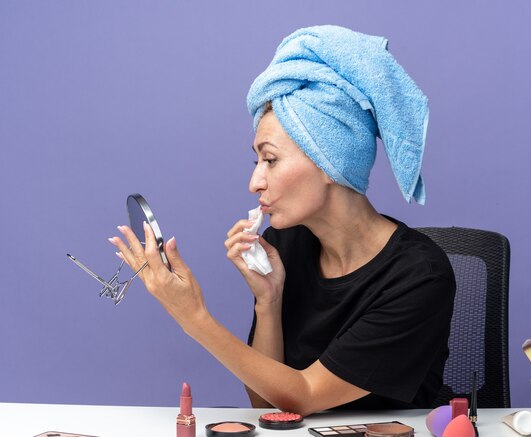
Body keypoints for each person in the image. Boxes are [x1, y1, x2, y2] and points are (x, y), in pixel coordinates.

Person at [109, 25, 455, 415]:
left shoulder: (418, 277)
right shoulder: (285, 246)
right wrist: (268, 301)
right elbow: (268, 402)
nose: (254, 181)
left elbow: (303, 395)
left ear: (330, 163)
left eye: (270, 159)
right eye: (256, 161)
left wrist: (193, 317)